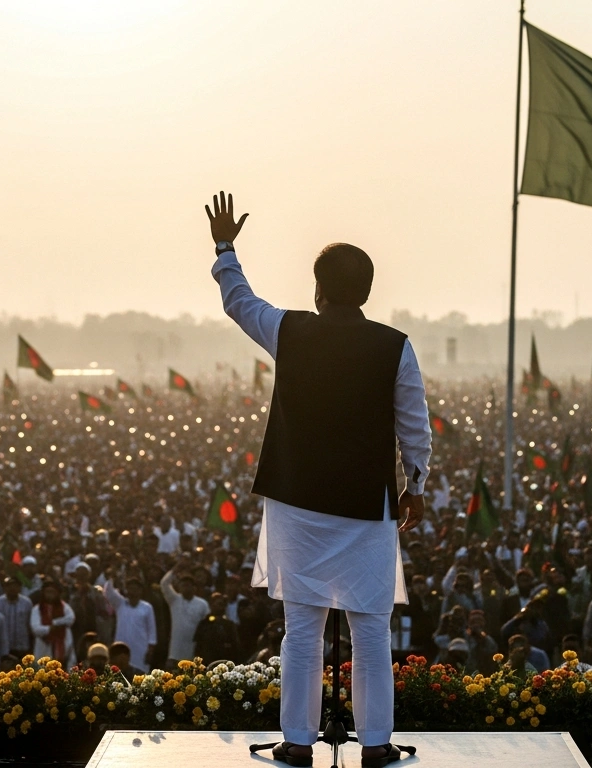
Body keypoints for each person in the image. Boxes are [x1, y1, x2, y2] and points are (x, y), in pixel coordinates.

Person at [208, 191, 430, 768]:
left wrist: (225, 246)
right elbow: (415, 429)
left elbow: (239, 301)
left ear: (318, 287)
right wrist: (418, 487)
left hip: (296, 503)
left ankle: (298, 743)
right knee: (371, 632)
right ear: (368, 290)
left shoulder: (289, 331)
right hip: (368, 509)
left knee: (302, 629)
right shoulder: (395, 347)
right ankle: (376, 744)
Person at [160, 559, 211, 668]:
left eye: (188, 585)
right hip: (174, 654)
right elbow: (164, 584)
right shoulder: (174, 600)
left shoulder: (202, 604)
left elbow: (207, 626)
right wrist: (175, 569)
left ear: (194, 587)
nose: (185, 587)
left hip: (193, 655)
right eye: (183, 585)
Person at [104, 575, 158, 670]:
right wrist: (111, 577)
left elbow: (152, 631)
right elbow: (108, 592)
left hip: (140, 649)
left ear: (141, 591)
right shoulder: (120, 603)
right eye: (130, 588)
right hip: (121, 649)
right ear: (126, 590)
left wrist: (150, 651)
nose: (133, 591)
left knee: (140, 677)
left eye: (135, 589)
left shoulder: (147, 607)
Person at [30, 580, 76, 666]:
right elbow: (36, 628)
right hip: (43, 646)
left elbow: (71, 618)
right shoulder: (37, 609)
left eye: (52, 592)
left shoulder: (64, 607)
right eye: (48, 592)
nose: (50, 595)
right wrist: (49, 628)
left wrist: (56, 622)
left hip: (63, 645)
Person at [193, 592, 242, 663]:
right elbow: (198, 646)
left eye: (223, 604)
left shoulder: (229, 624)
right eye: (218, 604)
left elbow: (236, 647)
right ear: (211, 605)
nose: (221, 607)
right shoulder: (204, 623)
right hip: (207, 662)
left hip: (224, 662)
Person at [0, 576, 34, 661]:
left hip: (22, 647)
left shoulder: (26, 603)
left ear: (20, 587)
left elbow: (30, 624)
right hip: (4, 647)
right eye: (9, 585)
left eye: (15, 585)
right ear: (4, 588)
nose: (12, 588)